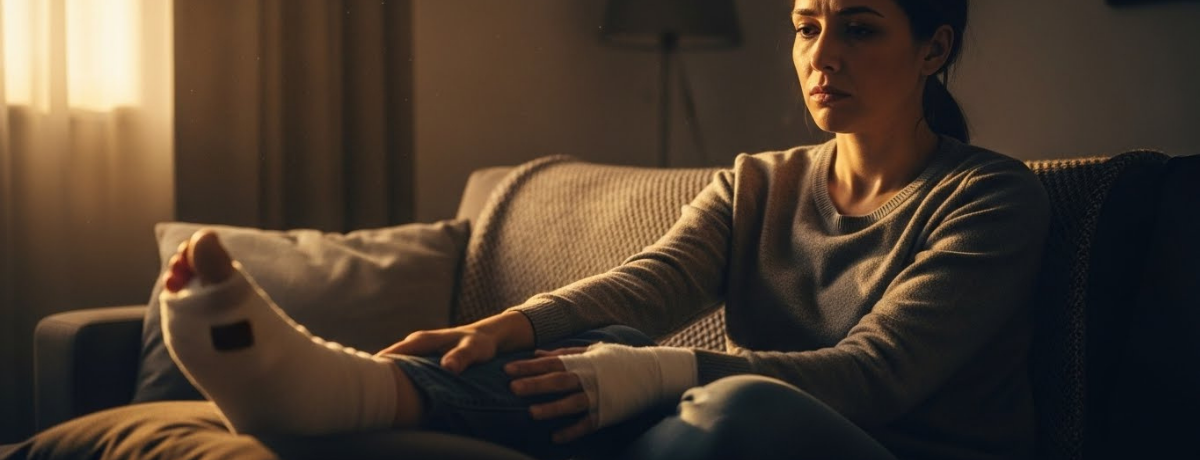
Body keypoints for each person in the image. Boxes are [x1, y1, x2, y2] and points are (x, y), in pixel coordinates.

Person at [4, 1, 1049, 459]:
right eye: (806, 24)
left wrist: (643, 381)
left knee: (712, 404)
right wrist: (504, 331)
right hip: (733, 414)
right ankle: (344, 389)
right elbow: (647, 282)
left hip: (882, 444)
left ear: (933, 47)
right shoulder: (762, 179)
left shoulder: (991, 200)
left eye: (860, 26)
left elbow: (875, 376)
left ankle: (337, 399)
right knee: (611, 353)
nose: (822, 53)